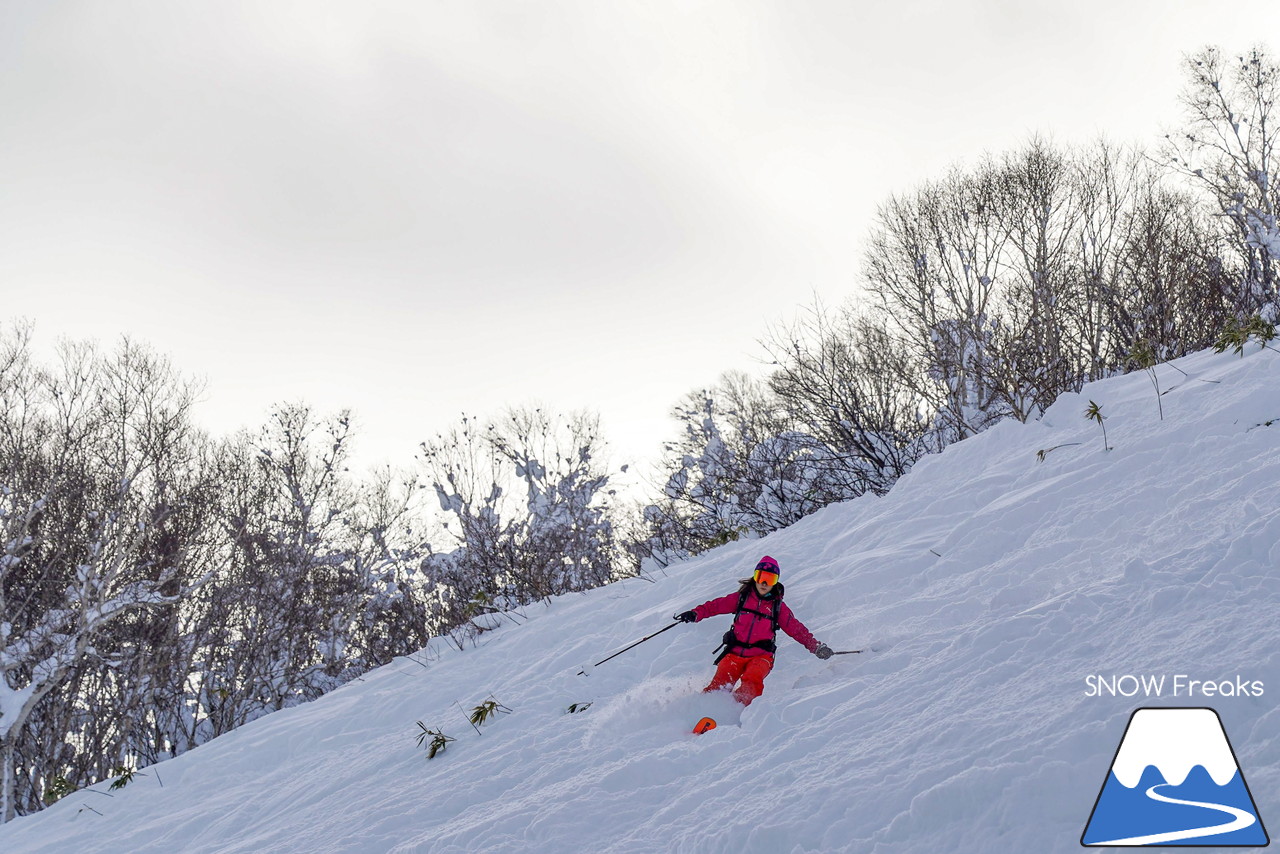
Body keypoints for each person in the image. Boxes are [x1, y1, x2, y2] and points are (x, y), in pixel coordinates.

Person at [674, 555, 832, 706]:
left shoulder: (777, 607)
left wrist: (815, 646)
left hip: (761, 656)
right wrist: (696, 613)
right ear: (755, 577)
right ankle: (706, 709)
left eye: (770, 579)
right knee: (721, 682)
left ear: (775, 582)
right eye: (761, 576)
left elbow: (796, 629)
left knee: (752, 678)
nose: (764, 583)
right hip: (734, 652)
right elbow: (715, 606)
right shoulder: (741, 598)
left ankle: (739, 712)